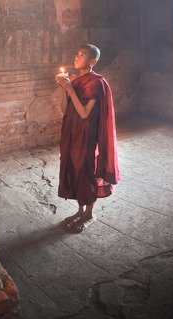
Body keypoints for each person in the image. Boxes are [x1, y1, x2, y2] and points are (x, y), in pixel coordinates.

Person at [54, 44, 120, 232]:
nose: (77, 56)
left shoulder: (96, 83)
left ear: (92, 61)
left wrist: (70, 88)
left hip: (87, 134)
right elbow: (65, 110)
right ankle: (80, 210)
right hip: (72, 132)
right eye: (76, 53)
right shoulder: (74, 81)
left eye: (82, 55)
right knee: (74, 168)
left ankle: (90, 214)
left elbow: (84, 113)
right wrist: (64, 89)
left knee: (86, 169)